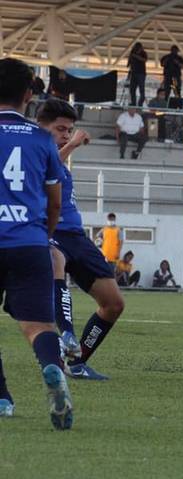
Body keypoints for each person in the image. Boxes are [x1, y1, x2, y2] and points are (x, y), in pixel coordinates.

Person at [0, 57, 73, 428]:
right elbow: (55, 201)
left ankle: (1, 399)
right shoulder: (43, 139)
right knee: (38, 325)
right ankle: (51, 367)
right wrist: (43, 235)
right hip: (28, 241)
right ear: (29, 94)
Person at [37, 99, 125, 381]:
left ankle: (76, 362)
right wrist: (72, 144)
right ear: (42, 128)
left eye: (69, 130)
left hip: (77, 236)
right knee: (55, 262)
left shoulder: (57, 158)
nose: (65, 134)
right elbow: (38, 175)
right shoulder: (34, 153)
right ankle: (67, 333)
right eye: (60, 129)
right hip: (51, 232)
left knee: (113, 304)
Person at [127, 42, 147, 106]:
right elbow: (129, 64)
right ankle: (133, 103)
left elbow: (144, 60)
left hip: (141, 74)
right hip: (133, 73)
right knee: (132, 89)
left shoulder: (143, 53)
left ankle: (140, 103)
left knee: (142, 90)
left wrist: (136, 56)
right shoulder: (132, 53)